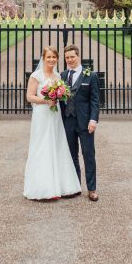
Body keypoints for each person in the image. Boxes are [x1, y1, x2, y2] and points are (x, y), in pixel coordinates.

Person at [24, 46, 81, 200]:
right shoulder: (36, 76)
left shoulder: (57, 76)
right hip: (42, 115)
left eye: (54, 57)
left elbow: (62, 96)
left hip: (55, 116)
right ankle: (43, 188)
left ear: (57, 59)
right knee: (42, 146)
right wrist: (46, 100)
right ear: (43, 58)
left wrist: (59, 96)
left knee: (57, 145)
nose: (51, 60)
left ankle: (63, 186)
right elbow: (29, 96)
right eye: (48, 57)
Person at [60, 44, 102, 201]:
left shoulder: (90, 75)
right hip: (68, 121)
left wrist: (93, 119)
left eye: (72, 57)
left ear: (78, 56)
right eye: (67, 58)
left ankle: (92, 189)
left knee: (88, 154)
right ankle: (75, 186)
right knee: (71, 155)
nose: (70, 60)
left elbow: (95, 100)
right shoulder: (62, 76)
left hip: (85, 122)